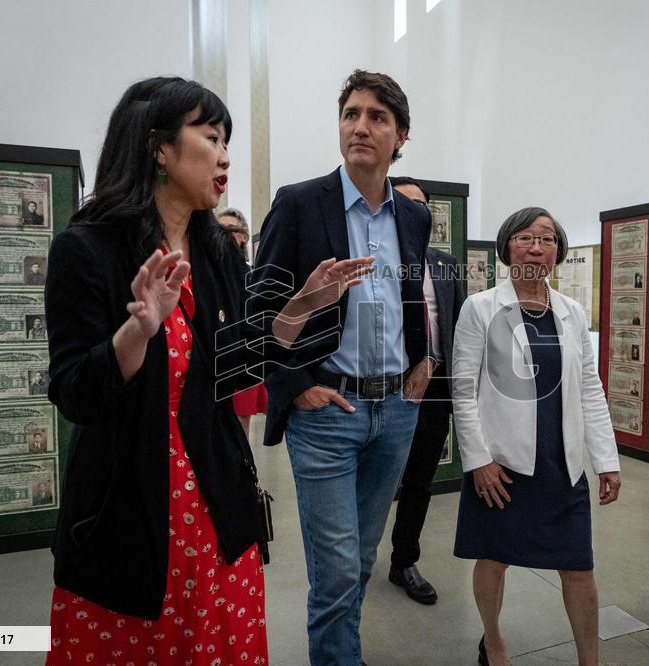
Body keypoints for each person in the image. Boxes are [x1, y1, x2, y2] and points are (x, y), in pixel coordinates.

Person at [43, 76, 372, 665]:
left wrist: (303, 304)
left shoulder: (218, 251)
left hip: (217, 506)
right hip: (130, 511)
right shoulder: (87, 249)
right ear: (159, 148)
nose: (225, 157)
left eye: (228, 142)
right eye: (211, 138)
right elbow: (74, 393)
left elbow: (243, 366)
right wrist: (136, 333)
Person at [253, 70, 431, 664]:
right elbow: (260, 311)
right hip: (327, 412)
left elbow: (412, 298)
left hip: (395, 412)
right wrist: (296, 385)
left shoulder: (413, 218)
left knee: (359, 562)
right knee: (335, 574)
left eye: (377, 117)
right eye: (351, 114)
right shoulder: (300, 204)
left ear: (400, 136)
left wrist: (424, 359)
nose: (360, 126)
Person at [451, 207, 622, 666]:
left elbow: (589, 387)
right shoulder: (480, 307)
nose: (536, 247)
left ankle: (590, 660)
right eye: (525, 237)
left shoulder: (572, 312)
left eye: (547, 239)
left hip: (560, 461)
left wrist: (606, 459)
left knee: (579, 567)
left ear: (558, 252)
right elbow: (462, 389)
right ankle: (493, 642)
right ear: (506, 247)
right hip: (502, 465)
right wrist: (478, 460)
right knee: (493, 558)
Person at [387, 176, 465, 605]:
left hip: (432, 391)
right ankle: (352, 563)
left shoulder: (446, 265)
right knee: (370, 482)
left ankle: (404, 560)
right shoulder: (371, 261)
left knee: (419, 482)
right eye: (402, 203)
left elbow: (457, 330)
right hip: (379, 389)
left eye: (419, 205)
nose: (411, 212)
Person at [219, 208, 268, 440]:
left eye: (231, 229)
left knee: (240, 424)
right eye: (219, 229)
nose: (224, 235)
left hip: (243, 355)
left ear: (244, 236)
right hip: (213, 358)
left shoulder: (251, 275)